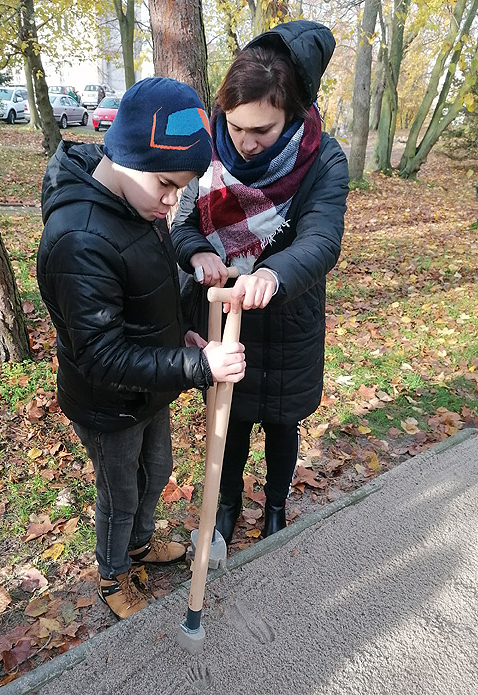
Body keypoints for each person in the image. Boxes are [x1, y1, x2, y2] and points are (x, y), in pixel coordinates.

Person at [36, 77, 246, 619]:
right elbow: (101, 356)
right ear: (126, 154)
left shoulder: (142, 207)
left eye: (181, 188)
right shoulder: (80, 238)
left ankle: (139, 544)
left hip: (151, 384)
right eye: (166, 183)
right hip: (109, 401)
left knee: (157, 469)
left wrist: (184, 337)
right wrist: (197, 365)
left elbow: (148, 293)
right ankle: (112, 572)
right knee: (121, 491)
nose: (174, 201)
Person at [171, 20, 349, 544]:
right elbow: (179, 224)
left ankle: (275, 508)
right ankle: (226, 507)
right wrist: (198, 249)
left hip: (289, 314)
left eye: (262, 131)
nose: (244, 142)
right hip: (224, 314)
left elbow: (321, 240)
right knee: (229, 425)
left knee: (281, 421)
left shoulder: (324, 159)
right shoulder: (204, 149)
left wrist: (272, 273)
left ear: (291, 116)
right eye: (236, 124)